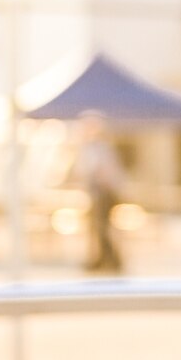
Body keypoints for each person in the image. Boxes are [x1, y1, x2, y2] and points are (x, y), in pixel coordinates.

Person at [69, 111, 127, 274]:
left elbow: (104, 172)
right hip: (96, 193)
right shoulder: (93, 147)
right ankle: (101, 259)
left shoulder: (99, 148)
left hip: (102, 193)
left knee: (102, 227)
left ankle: (110, 260)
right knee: (97, 228)